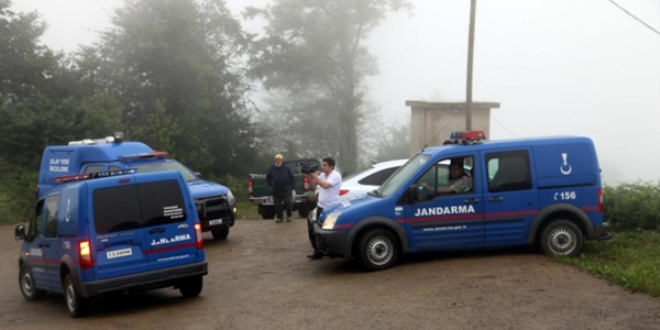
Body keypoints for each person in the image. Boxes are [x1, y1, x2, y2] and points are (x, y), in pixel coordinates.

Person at [306, 157, 342, 259]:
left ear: (331, 167)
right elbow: (313, 185)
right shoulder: (322, 175)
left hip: (331, 207)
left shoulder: (335, 176)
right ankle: (318, 251)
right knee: (317, 229)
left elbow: (325, 185)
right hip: (321, 206)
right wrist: (310, 176)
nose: (323, 167)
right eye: (322, 165)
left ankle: (332, 251)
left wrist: (315, 177)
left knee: (329, 230)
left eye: (325, 165)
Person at [266, 154, 295, 223]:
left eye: (279, 160)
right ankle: (279, 217)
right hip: (276, 189)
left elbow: (292, 178)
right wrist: (269, 186)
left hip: (286, 189)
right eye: (276, 160)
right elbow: (268, 178)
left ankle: (289, 216)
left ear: (282, 160)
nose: (277, 161)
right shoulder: (271, 168)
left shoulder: (287, 168)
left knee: (288, 203)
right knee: (277, 205)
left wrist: (292, 187)